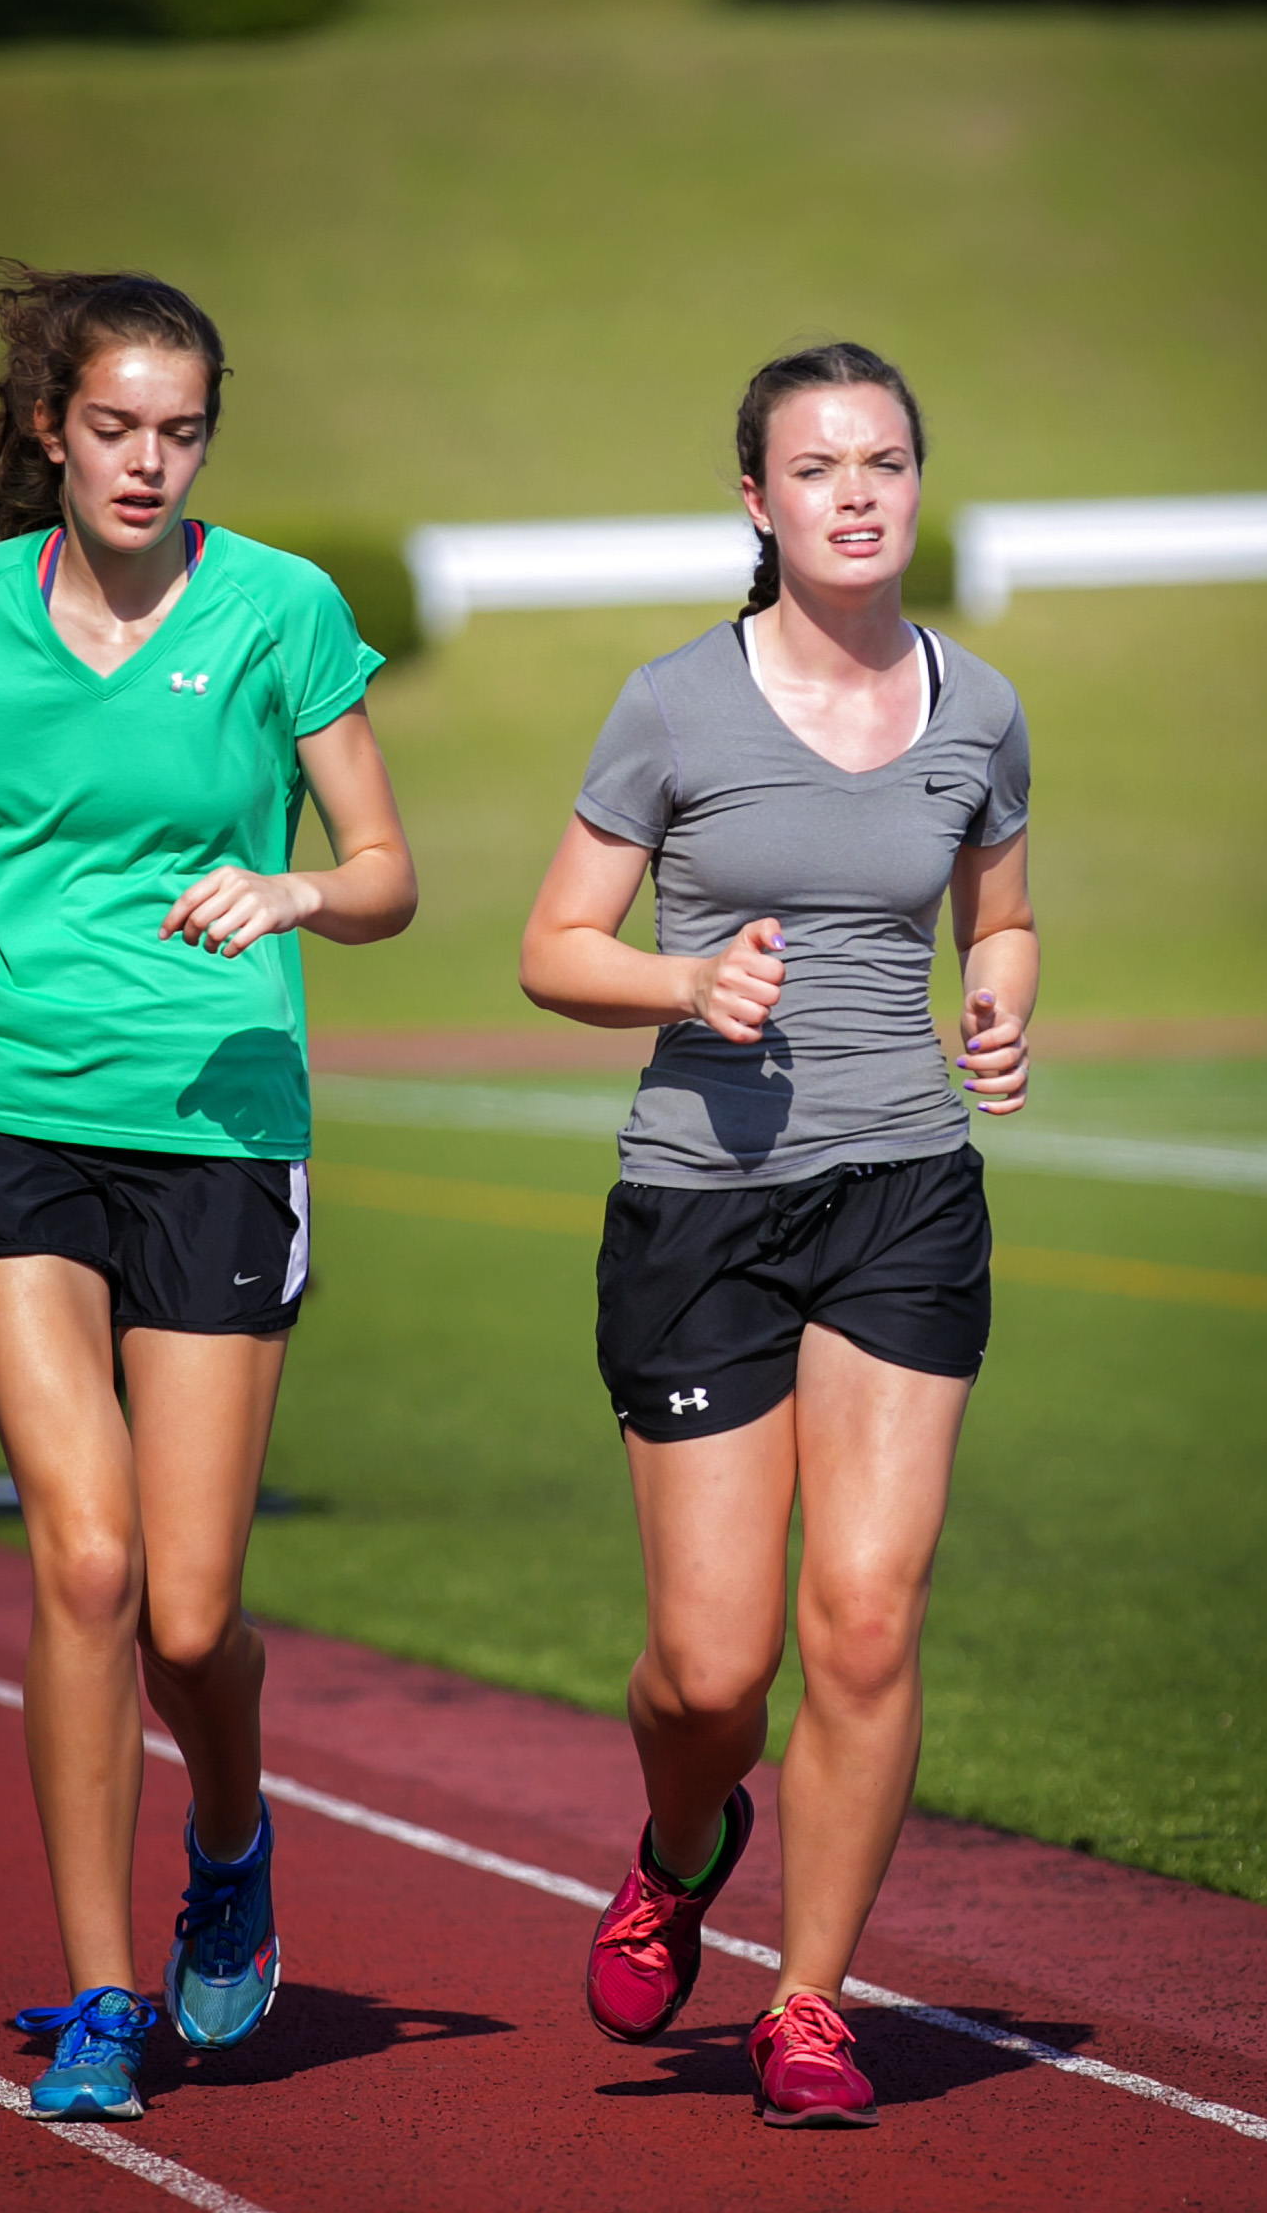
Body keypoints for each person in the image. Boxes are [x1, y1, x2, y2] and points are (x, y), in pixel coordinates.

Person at [0, 264, 416, 2120]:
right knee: (82, 1560)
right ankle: (103, 1992)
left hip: (221, 1119)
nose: (147, 462)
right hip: (10, 1102)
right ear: (53, 427)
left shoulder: (281, 607)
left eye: (181, 431)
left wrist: (298, 889)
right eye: (114, 427)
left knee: (187, 1618)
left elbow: (386, 866)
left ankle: (232, 1833)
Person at [520, 342, 1036, 2129]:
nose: (854, 492)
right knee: (712, 1673)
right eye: (815, 467)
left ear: (915, 481)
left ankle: (807, 2003)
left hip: (903, 1190)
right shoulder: (673, 704)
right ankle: (682, 1844)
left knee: (867, 1619)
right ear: (757, 499)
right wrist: (685, 981)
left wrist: (998, 1000)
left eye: (882, 460)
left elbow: (999, 912)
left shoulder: (978, 704)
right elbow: (554, 945)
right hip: (699, 1207)